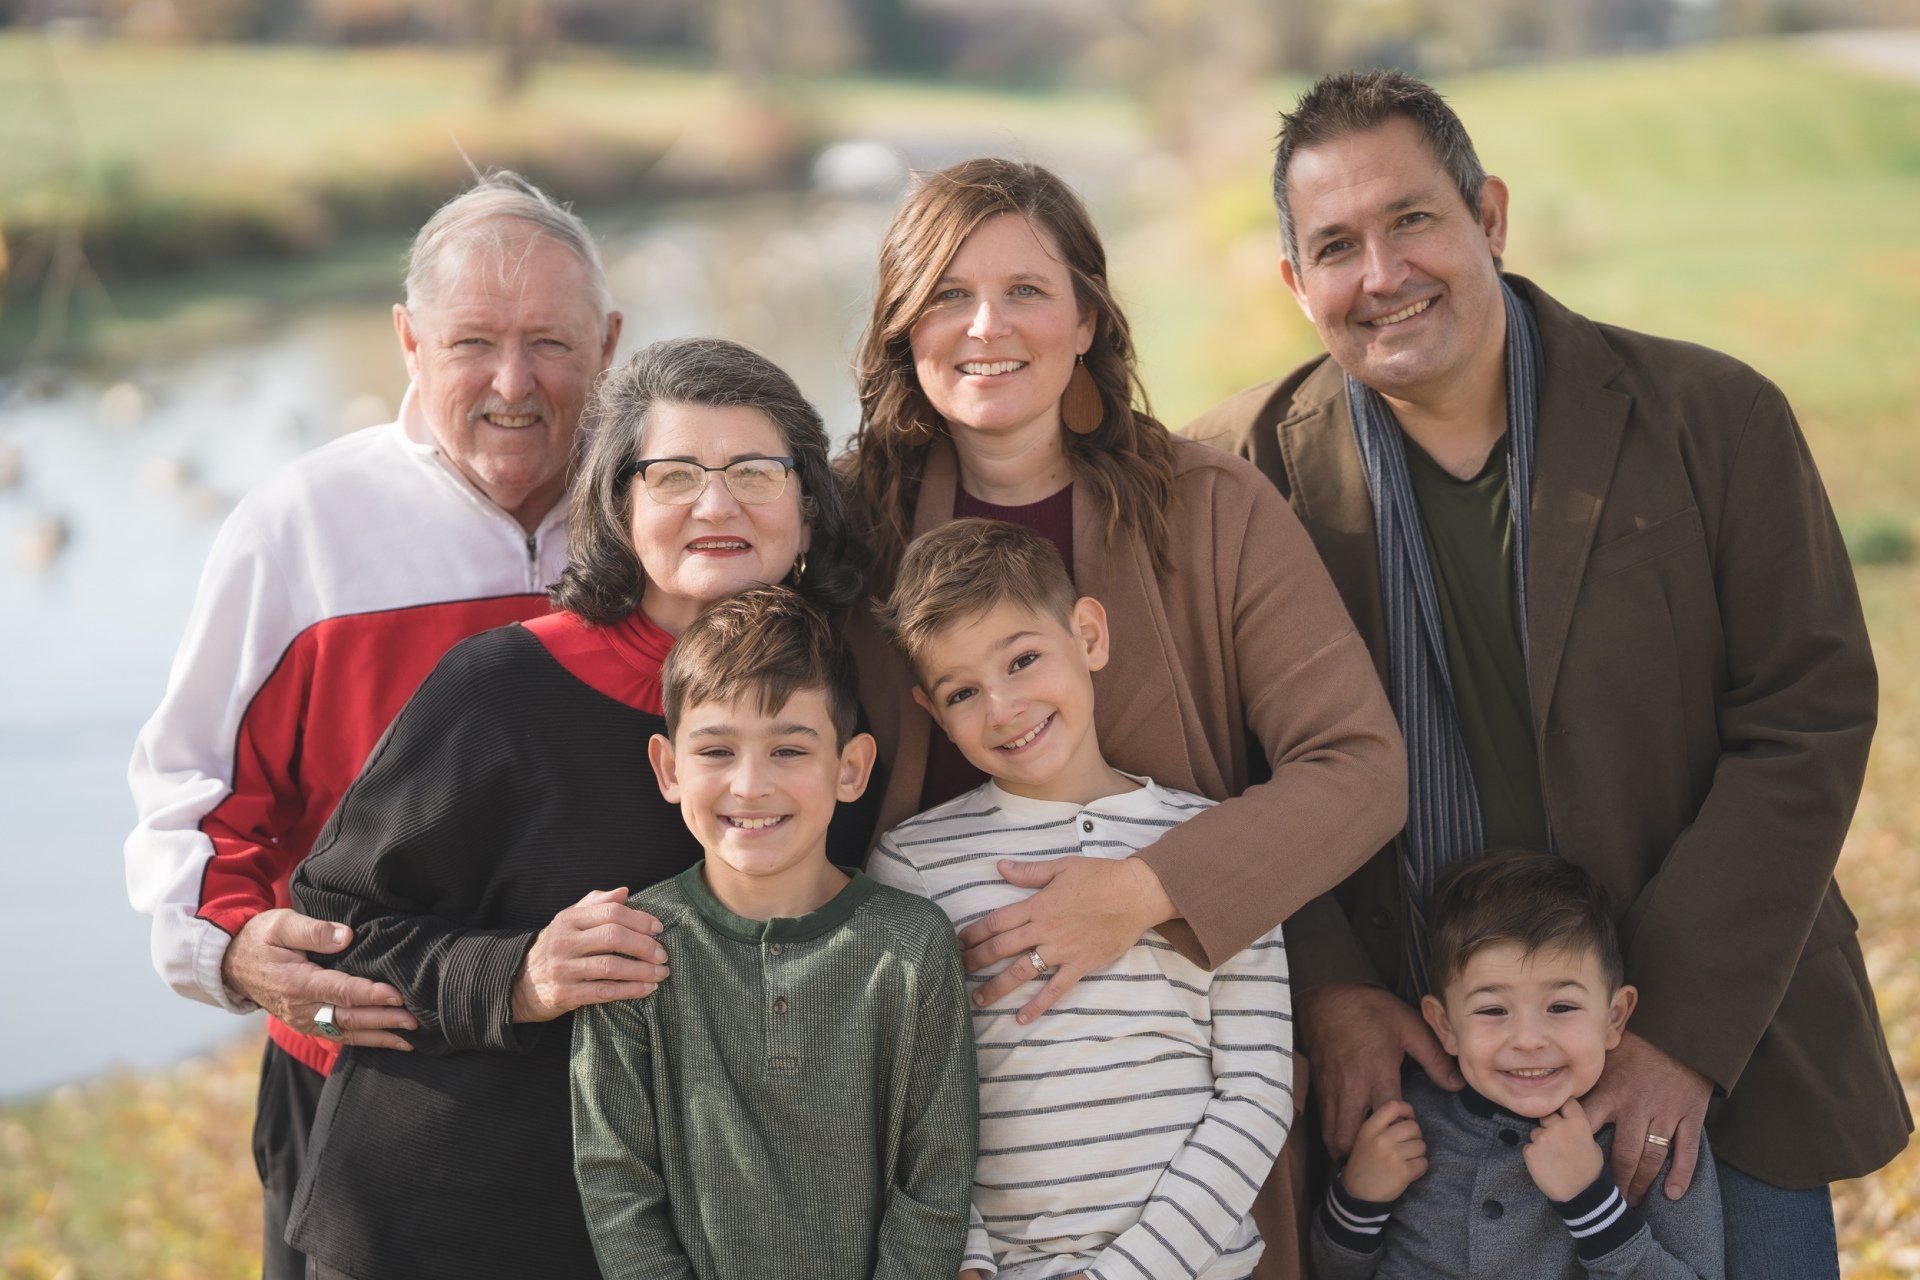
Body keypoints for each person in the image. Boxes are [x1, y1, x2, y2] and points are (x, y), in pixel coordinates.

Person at [1185, 70, 1909, 1279]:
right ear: (1295, 284)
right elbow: (1218, 766)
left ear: (1491, 216)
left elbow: (1805, 717)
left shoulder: (1712, 416)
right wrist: (1333, 988)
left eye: (1413, 219)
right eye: (1336, 245)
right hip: (1410, 1078)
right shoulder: (1236, 476)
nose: (1383, 272)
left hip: (1718, 1037)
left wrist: (1671, 1023)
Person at [841, 157, 1407, 1278]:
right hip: (942, 1149)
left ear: (1088, 316)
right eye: (947, 293)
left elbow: (1360, 767)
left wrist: (1142, 892)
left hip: (1176, 1139)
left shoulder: (1209, 506)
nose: (984, 325)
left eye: (1027, 291)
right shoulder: (845, 525)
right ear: (902, 325)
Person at [124, 171, 623, 1280]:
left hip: (614, 1086)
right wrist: (236, 949)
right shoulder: (303, 529)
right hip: (363, 1086)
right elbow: (192, 790)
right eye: (472, 343)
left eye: (550, 341)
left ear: (612, 342)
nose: (512, 382)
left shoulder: (671, 515)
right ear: (407, 339)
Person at [283, 337, 867, 1279]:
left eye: (755, 471)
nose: (716, 505)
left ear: (808, 502)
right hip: (446, 1224)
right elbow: (332, 920)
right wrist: (521, 976)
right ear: (618, 502)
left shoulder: (846, 701)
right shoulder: (503, 685)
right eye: (675, 473)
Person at [869, 518, 1294, 1280]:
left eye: (1023, 659)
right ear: (933, 713)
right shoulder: (913, 863)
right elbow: (905, 1101)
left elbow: (1257, 1091)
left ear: (1089, 637)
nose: (1002, 708)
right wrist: (964, 1261)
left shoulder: (1209, 843)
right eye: (963, 691)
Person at [570, 585, 978, 1280]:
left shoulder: (910, 947)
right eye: (717, 751)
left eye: (789, 750)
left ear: (849, 769)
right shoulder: (635, 945)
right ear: (669, 768)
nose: (751, 785)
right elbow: (617, 1187)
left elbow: (935, 1181)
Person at [1311, 851, 1722, 1279]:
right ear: (1444, 1025)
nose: (1527, 1040)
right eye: (1492, 1011)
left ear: (1615, 1017)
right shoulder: (1398, 1117)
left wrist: (1591, 1203)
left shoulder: (1650, 1129)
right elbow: (1332, 1271)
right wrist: (1357, 1201)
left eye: (1561, 1006)